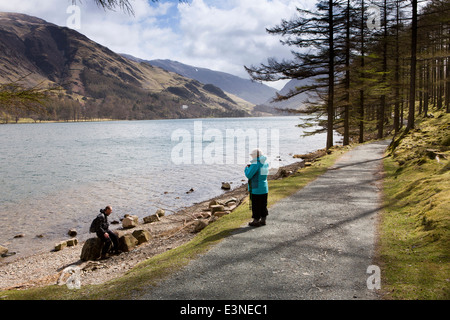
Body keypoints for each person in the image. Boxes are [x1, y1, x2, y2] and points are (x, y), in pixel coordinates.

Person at [245, 148, 269, 227]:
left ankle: (255, 220)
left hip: (256, 188)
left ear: (256, 155)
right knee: (263, 204)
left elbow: (249, 175)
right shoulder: (265, 162)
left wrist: (246, 168)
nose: (252, 157)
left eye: (252, 155)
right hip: (264, 187)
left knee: (255, 205)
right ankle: (263, 219)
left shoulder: (255, 163)